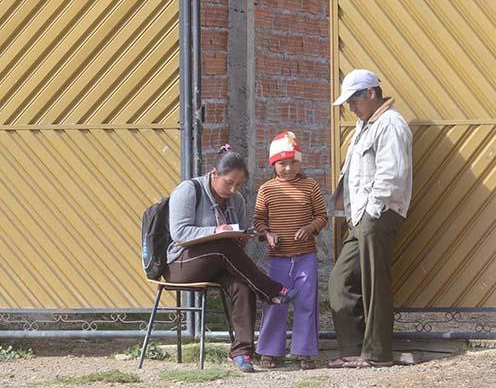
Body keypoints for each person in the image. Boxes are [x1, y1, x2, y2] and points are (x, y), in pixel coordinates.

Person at [164, 145, 299, 373]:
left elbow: (237, 236)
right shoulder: (189, 190)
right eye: (228, 182)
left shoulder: (236, 200)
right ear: (214, 173)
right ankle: (271, 290)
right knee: (222, 245)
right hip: (180, 264)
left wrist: (241, 238)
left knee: (243, 285)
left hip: (218, 260)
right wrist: (215, 232)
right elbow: (179, 233)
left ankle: (242, 352)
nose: (233, 189)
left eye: (238, 184)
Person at [327, 69, 413, 368]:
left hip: (378, 213)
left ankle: (377, 354)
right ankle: (353, 349)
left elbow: (392, 173)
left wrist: (373, 209)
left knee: (375, 283)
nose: (350, 107)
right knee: (340, 282)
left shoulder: (390, 124)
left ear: (371, 94)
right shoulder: (364, 124)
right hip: (362, 215)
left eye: (353, 100)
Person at [254, 131, 328, 370]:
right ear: (273, 164)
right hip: (278, 260)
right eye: (282, 163)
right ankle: (269, 351)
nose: (288, 168)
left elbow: (322, 216)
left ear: (300, 162)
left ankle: (304, 352)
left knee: (306, 302)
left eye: (293, 162)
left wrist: (309, 228)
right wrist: (267, 234)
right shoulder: (266, 190)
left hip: (306, 256)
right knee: (276, 301)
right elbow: (258, 220)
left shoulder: (311, 187)